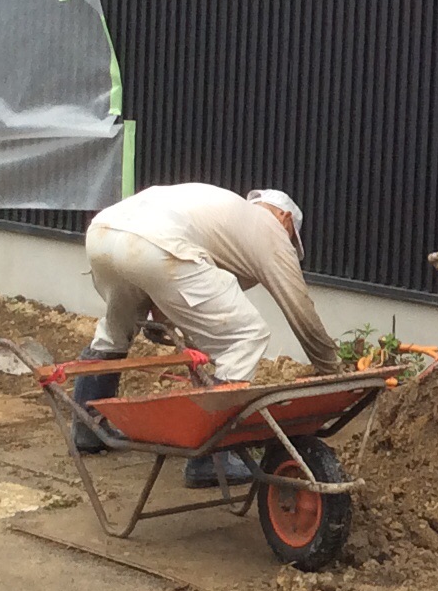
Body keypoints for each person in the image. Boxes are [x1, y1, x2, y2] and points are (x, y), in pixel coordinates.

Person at [69, 184, 339, 487]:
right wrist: (332, 367)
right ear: (285, 218)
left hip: (103, 234)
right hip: (156, 245)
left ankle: (88, 429)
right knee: (247, 336)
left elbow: (186, 300)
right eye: (291, 238)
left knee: (115, 332)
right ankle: (211, 460)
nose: (288, 244)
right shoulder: (270, 228)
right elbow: (299, 307)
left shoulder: (219, 214)